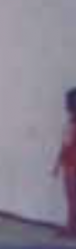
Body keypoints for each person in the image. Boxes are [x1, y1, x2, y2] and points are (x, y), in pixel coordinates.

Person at [50, 89, 76, 238]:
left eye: (67, 101)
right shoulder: (71, 121)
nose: (65, 104)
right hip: (70, 162)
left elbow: (65, 144)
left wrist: (57, 165)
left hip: (72, 164)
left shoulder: (72, 122)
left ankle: (70, 229)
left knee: (72, 198)